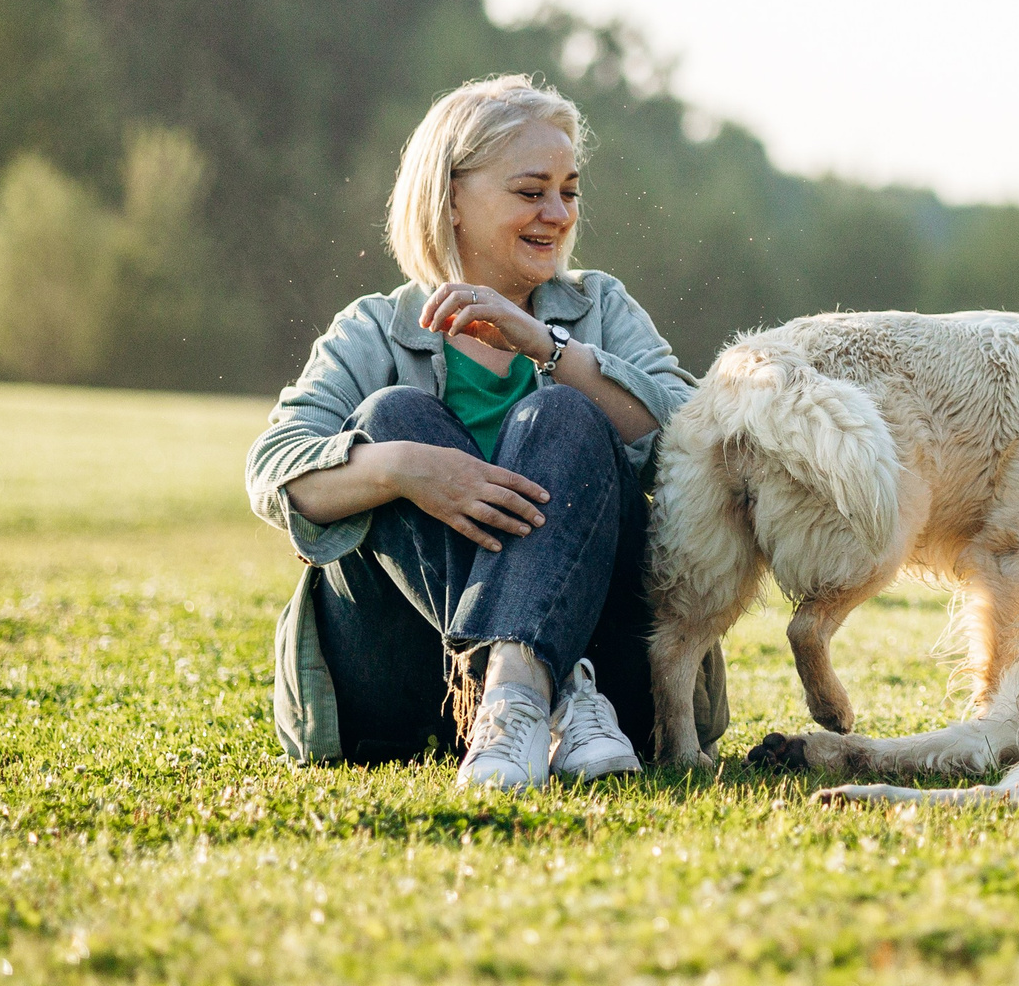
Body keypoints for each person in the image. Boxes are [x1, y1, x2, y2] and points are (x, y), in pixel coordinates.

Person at [245, 74, 724, 787]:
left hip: (612, 691)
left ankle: (524, 694)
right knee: (391, 420)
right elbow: (274, 471)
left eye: (569, 192)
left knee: (563, 413)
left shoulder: (600, 307)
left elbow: (697, 440)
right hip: (408, 687)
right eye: (531, 191)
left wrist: (548, 348)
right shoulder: (372, 329)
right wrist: (404, 469)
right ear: (450, 199)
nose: (557, 214)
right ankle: (536, 692)